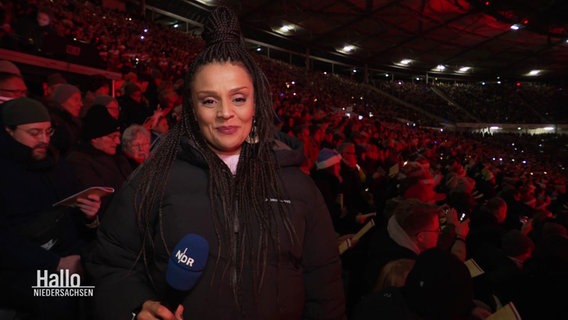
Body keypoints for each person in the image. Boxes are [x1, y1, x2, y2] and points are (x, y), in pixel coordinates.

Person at [86, 6, 345, 320]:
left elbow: (325, 289)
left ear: (256, 103)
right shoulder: (155, 177)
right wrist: (135, 306)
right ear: (193, 109)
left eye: (238, 98)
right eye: (209, 100)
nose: (225, 112)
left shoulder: (298, 186)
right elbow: (110, 262)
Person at [0, 98, 101, 319]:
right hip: (20, 266)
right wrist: (55, 263)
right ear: (9, 131)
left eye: (48, 132)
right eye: (34, 133)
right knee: (61, 294)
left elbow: (73, 220)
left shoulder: (57, 166)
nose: (44, 140)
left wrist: (89, 216)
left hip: (67, 253)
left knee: (110, 276)